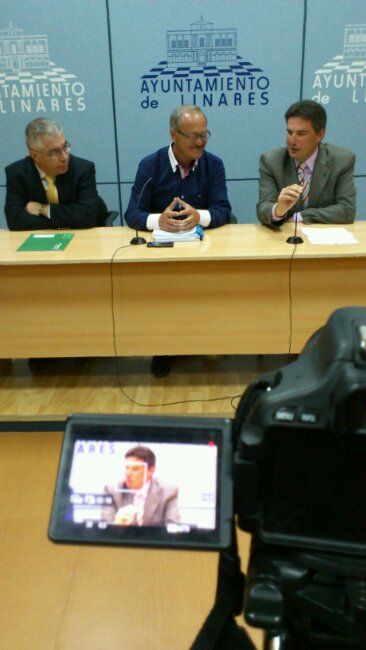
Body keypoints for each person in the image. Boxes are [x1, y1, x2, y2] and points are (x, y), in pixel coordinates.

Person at [124, 104, 231, 233]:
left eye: (203, 135)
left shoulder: (214, 165)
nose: (200, 142)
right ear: (173, 134)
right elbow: (133, 214)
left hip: (202, 244)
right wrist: (159, 221)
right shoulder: (150, 166)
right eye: (193, 136)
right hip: (160, 247)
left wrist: (199, 217)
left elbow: (223, 210)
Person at [257, 99, 356, 227]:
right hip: (283, 241)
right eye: (289, 132)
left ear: (320, 134)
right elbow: (263, 208)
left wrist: (301, 216)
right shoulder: (271, 161)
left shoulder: (341, 160)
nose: (292, 141)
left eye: (301, 134)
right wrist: (278, 210)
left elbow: (346, 210)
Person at [5, 117, 108, 230]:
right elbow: (15, 220)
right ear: (34, 155)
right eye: (54, 152)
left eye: (65, 147)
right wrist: (65, 219)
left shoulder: (83, 169)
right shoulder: (17, 173)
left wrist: (43, 209)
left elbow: (87, 216)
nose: (64, 157)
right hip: (41, 242)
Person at [103, 445, 180, 527]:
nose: (128, 474)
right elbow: (105, 527)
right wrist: (117, 524)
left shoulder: (168, 491)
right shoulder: (112, 490)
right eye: (127, 468)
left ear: (151, 471)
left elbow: (172, 527)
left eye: (135, 469)